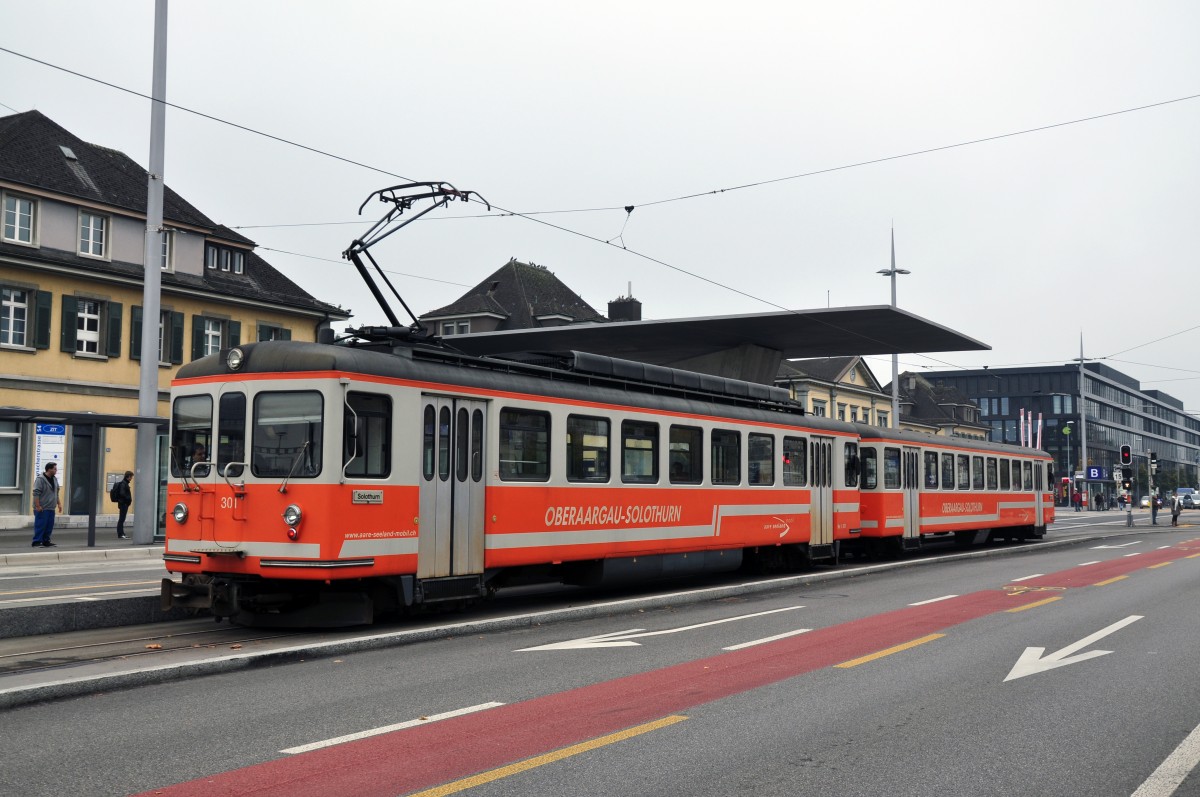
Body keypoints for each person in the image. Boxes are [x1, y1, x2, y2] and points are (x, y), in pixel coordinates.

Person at [31, 462, 63, 547]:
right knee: (40, 525)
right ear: (49, 469)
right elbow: (36, 493)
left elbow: (56, 493)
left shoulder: (54, 479)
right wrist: (38, 506)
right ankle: (37, 541)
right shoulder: (40, 479)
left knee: (49, 526)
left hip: (51, 507)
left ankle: (46, 541)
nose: (56, 470)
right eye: (55, 469)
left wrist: (59, 504)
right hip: (42, 507)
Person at [114, 470, 133, 539]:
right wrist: (128, 498)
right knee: (121, 519)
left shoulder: (125, 483)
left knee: (122, 519)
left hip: (124, 504)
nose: (131, 478)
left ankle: (122, 533)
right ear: (128, 477)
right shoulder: (123, 484)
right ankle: (120, 534)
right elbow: (122, 493)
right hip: (123, 504)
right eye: (131, 477)